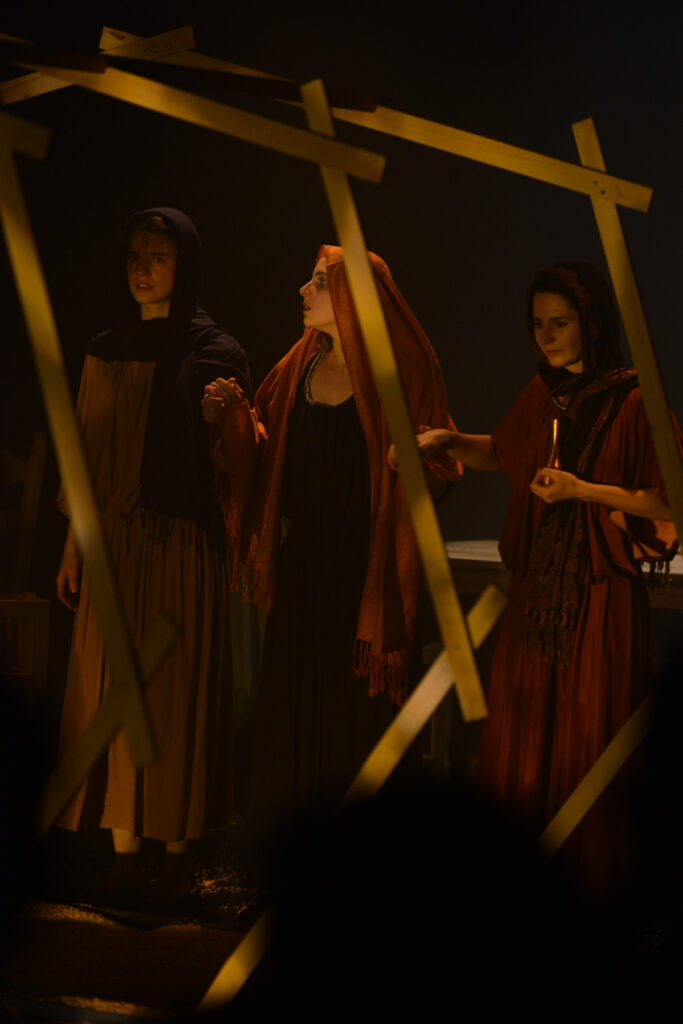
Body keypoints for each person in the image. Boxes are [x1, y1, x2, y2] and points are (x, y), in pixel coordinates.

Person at [400, 262, 681, 893]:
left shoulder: (635, 400)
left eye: (561, 323)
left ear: (591, 324)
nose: (547, 336)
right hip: (537, 595)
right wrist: (447, 440)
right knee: (524, 732)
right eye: (538, 324)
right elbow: (503, 453)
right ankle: (522, 883)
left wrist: (584, 490)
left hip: (598, 598)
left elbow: (668, 500)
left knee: (588, 733)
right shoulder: (543, 394)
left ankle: (591, 886)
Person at [202, 245, 459, 838]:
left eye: (319, 281)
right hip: (307, 567)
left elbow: (440, 467)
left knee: (354, 716)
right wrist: (234, 421)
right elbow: (266, 465)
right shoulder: (297, 368)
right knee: (297, 705)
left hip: (369, 572)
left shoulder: (401, 372)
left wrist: (413, 464)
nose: (303, 290)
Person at [56, 207, 251, 900]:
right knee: (113, 691)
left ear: (183, 266)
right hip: (112, 545)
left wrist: (224, 420)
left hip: (180, 545)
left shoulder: (214, 352)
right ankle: (121, 851)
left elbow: (237, 463)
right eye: (134, 256)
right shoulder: (105, 349)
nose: (141, 270)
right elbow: (83, 455)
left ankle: (173, 855)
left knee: (171, 697)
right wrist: (74, 548)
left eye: (158, 258)